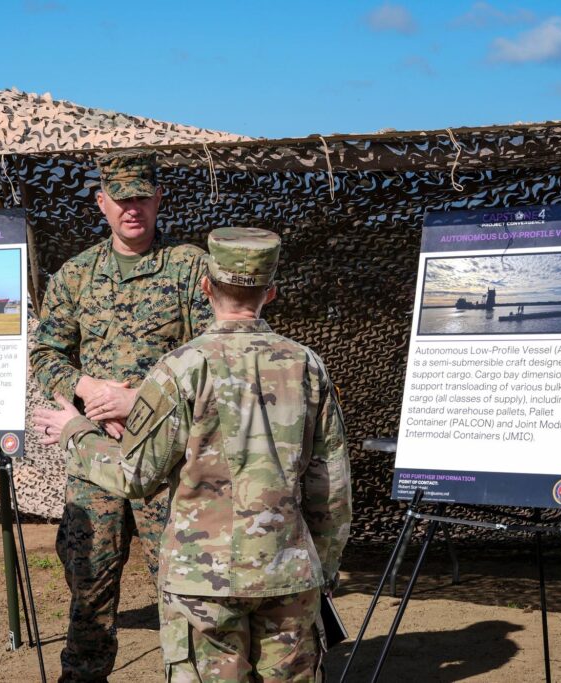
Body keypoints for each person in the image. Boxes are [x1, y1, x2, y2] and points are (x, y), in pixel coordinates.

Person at [35, 228, 352, 682]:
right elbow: (333, 489)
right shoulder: (307, 364)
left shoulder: (181, 368)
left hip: (202, 584)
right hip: (288, 572)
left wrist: (75, 432)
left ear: (206, 287)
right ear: (272, 291)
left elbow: (135, 474)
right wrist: (319, 569)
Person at [30, 149, 213, 681]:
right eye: (121, 199)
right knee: (90, 578)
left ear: (159, 201)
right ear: (101, 203)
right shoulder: (76, 276)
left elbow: (213, 357)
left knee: (180, 580)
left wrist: (141, 402)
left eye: (142, 198)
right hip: (96, 457)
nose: (132, 210)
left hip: (169, 457)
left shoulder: (189, 268)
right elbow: (46, 354)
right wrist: (87, 389)